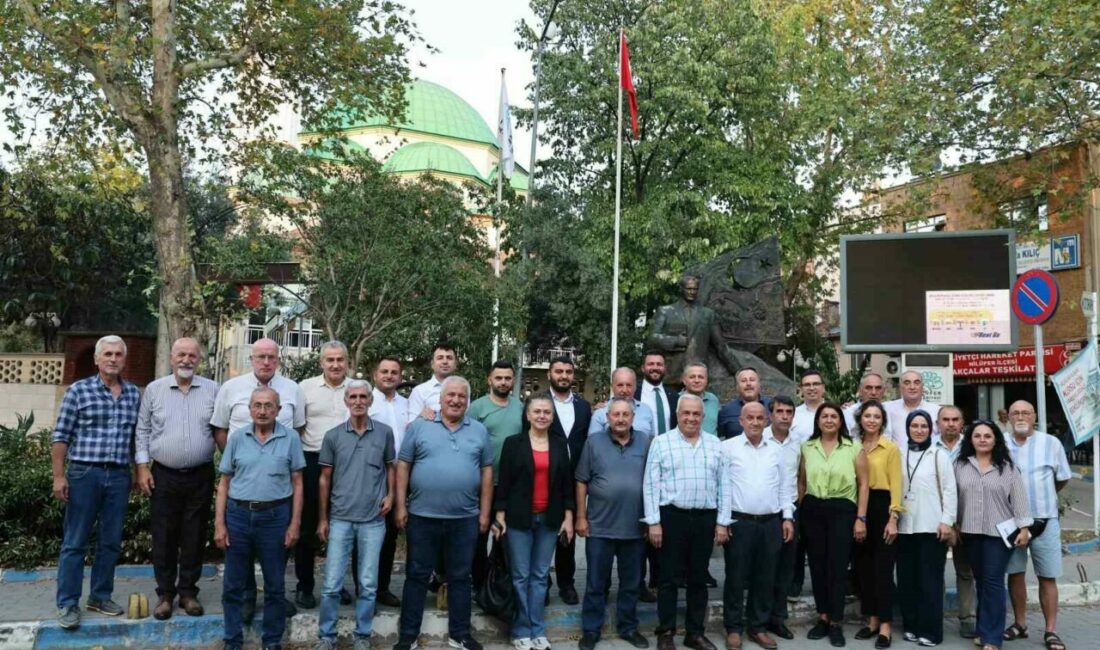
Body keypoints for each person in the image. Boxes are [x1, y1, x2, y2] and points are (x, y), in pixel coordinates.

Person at [211, 337, 307, 621]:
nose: (266, 362)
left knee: (277, 550)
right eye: (260, 357)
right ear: (251, 359)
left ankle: (275, 597)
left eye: (271, 357)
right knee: (240, 551)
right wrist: (242, 460)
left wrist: (274, 459)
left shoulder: (293, 389)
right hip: (242, 479)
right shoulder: (231, 388)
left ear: (278, 359)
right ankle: (247, 598)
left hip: (278, 484)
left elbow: (298, 429)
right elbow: (220, 428)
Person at [394, 376, 492, 650]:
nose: (455, 400)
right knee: (416, 575)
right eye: (451, 395)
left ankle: (460, 634)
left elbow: (486, 472)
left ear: (468, 401)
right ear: (440, 398)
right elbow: (403, 466)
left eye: (461, 396)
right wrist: (401, 505)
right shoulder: (420, 427)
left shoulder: (479, 430)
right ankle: (408, 635)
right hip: (422, 516)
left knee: (460, 577)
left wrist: (484, 512)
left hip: (465, 518)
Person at [51, 335, 141, 629]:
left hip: (118, 476)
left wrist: (138, 471)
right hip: (84, 474)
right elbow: (61, 436)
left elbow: (136, 439)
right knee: (75, 542)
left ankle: (100, 597)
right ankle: (67, 603)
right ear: (97, 359)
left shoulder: (133, 394)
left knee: (111, 541)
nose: (113, 359)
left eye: (118, 354)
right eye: (108, 354)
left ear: (124, 359)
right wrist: (58, 476)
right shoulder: (78, 391)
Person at [135, 337, 220, 620]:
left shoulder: (213, 390)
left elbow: (221, 429)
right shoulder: (155, 390)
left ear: (199, 359)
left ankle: (188, 593)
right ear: (172, 358)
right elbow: (142, 430)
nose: (186, 360)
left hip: (200, 475)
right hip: (163, 475)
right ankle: (165, 594)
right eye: (181, 354)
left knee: (195, 535)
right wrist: (142, 467)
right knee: (164, 536)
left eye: (192, 355)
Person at [643, 394, 731, 650]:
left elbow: (724, 486)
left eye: (696, 414)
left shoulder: (715, 445)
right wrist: (653, 522)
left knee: (698, 579)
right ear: (677, 415)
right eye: (686, 413)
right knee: (668, 579)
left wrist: (722, 523)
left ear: (703, 417)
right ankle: (666, 632)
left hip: (704, 519)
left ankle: (695, 633)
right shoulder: (661, 443)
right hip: (672, 518)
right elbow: (651, 485)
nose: (691, 418)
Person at [314, 380, 395, 650]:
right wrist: (323, 518)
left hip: (373, 519)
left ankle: (362, 635)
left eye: (363, 397)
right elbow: (324, 479)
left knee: (368, 584)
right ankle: (327, 636)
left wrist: (391, 496)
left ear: (370, 401)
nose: (358, 401)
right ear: (346, 401)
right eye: (353, 397)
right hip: (340, 518)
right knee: (331, 584)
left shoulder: (384, 433)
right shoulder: (333, 436)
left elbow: (391, 467)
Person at [494, 396, 576, 650]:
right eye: (537, 411)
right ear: (528, 415)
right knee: (520, 576)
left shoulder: (560, 444)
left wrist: (569, 517)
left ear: (552, 417)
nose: (542, 416)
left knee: (540, 576)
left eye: (547, 412)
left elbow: (567, 484)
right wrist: (499, 515)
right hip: (519, 519)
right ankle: (521, 630)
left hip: (549, 519)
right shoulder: (513, 443)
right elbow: (504, 481)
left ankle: (538, 630)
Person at [576, 398, 652, 650]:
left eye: (625, 414)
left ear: (632, 418)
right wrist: (581, 516)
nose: (620, 419)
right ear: (607, 417)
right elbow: (582, 481)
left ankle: (628, 627)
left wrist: (651, 520)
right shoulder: (593, 442)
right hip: (599, 526)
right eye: (615, 414)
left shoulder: (645, 442)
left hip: (635, 527)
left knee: (631, 583)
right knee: (595, 583)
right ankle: (591, 630)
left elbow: (654, 481)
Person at [720, 401, 795, 650]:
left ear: (766, 421)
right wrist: (722, 522)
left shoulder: (777, 451)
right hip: (739, 522)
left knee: (765, 577)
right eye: (749, 418)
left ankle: (758, 627)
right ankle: (733, 628)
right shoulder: (728, 448)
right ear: (741, 421)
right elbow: (723, 488)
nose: (754, 422)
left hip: (770, 523)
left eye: (759, 418)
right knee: (736, 576)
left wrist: (787, 517)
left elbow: (784, 486)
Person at [954, 420, 1032, 650]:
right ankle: (983, 629)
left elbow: (1019, 499)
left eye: (987, 436)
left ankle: (992, 638)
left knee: (993, 582)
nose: (982, 440)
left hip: (999, 534)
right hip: (969, 531)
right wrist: (953, 523)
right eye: (977, 436)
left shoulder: (1008, 468)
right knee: (981, 581)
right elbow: (953, 496)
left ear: (996, 439)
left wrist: (1024, 528)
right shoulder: (960, 465)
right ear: (970, 440)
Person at [799, 402, 869, 648]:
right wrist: (801, 511)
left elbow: (863, 484)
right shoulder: (808, 447)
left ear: (841, 422)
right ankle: (823, 617)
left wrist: (861, 518)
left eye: (833, 416)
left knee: (837, 567)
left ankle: (836, 621)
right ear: (818, 421)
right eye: (824, 416)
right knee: (817, 565)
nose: (829, 420)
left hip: (842, 510)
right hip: (813, 509)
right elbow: (802, 481)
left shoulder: (853, 447)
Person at [1003, 401, 1071, 650]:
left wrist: (1043, 497)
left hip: (1045, 520)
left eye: (1026, 413)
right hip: (1011, 521)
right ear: (1008, 417)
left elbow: (1062, 479)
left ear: (1034, 417)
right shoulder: (1001, 444)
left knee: (1047, 576)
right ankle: (1020, 624)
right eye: (1016, 413)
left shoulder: (1051, 443)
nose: (1021, 417)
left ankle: (1051, 630)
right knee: (1015, 574)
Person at [896, 409, 957, 648]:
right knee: (907, 580)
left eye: (924, 426)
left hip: (932, 526)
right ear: (908, 429)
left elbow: (950, 490)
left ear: (931, 429)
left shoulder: (938, 455)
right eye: (914, 426)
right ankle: (911, 626)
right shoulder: (899, 453)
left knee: (929, 581)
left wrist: (947, 521)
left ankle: (931, 631)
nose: (919, 430)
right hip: (904, 527)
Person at [298, 341, 351, 609]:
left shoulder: (356, 389)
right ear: (321, 362)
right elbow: (297, 426)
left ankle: (336, 585)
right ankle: (304, 586)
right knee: (307, 527)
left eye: (340, 359)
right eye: (330, 360)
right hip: (312, 460)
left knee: (341, 527)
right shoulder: (305, 388)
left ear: (347, 362)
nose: (335, 364)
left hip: (347, 464)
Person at [542, 355, 592, 606]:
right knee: (543, 531)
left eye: (568, 372)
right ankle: (542, 582)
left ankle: (566, 583)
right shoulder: (538, 402)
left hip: (574, 480)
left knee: (567, 533)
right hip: (544, 477)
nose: (563, 376)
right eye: (559, 371)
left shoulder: (583, 406)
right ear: (549, 374)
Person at [470, 360, 525, 589]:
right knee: (479, 535)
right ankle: (479, 584)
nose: (503, 382)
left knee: (506, 537)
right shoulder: (476, 408)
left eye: (507, 378)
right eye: (498, 378)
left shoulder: (520, 407)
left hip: (511, 485)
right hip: (483, 484)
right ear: (489, 380)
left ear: (513, 381)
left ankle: (501, 585)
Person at [851, 400, 902, 648]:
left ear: (882, 421)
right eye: (867, 416)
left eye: (876, 416)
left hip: (882, 507)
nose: (871, 420)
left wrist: (893, 518)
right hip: (859, 507)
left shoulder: (890, 448)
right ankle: (871, 620)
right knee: (864, 567)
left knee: (883, 569)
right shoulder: (853, 446)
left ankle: (885, 626)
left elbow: (896, 485)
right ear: (860, 419)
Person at [368, 355, 409, 607]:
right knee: (367, 535)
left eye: (394, 372)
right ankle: (365, 589)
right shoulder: (365, 401)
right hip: (373, 475)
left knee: (391, 535)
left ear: (400, 377)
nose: (389, 376)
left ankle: (382, 588)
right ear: (375, 375)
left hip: (402, 475)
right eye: (384, 371)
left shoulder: (407, 404)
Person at [647, 274, 740, 380]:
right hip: (672, 373)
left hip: (697, 374)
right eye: (689, 289)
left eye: (695, 289)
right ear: (681, 289)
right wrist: (676, 341)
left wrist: (739, 371)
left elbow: (721, 346)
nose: (692, 292)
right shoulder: (665, 311)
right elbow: (652, 338)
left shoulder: (708, 314)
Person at [934, 405, 976, 638]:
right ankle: (934, 616)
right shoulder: (929, 446)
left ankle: (967, 617)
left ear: (962, 423)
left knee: (965, 571)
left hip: (966, 519)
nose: (950, 424)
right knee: (934, 571)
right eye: (945, 419)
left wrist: (958, 520)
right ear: (938, 423)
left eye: (955, 419)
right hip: (935, 519)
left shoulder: (972, 447)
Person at [764, 396, 801, 641]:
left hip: (791, 510)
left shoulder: (798, 442)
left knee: (785, 569)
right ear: (771, 414)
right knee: (764, 568)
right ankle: (758, 619)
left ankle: (778, 619)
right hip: (765, 511)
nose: (784, 416)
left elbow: (801, 476)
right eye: (780, 411)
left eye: (789, 412)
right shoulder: (760, 438)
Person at [590, 367, 657, 436]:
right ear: (612, 387)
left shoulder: (646, 410)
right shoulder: (600, 413)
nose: (624, 390)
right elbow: (594, 441)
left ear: (635, 387)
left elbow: (652, 440)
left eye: (629, 385)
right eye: (620, 385)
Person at [884, 371, 940, 449]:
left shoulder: (936, 411)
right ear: (900, 388)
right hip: (897, 456)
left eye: (916, 383)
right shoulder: (887, 408)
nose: (912, 387)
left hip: (928, 455)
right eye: (907, 383)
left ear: (922, 387)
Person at [407, 342, 458, 422]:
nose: (445, 361)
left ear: (455, 364)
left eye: (449, 358)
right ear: (432, 364)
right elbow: (411, 426)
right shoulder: (419, 391)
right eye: (440, 358)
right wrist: (420, 416)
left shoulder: (463, 391)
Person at [717, 367, 771, 439]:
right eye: (743, 381)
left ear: (759, 384)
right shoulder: (726, 411)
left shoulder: (772, 407)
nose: (748, 384)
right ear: (737, 387)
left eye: (752, 380)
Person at [637, 350, 677, 434]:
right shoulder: (634, 394)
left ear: (664, 368)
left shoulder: (674, 396)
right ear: (643, 368)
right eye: (651, 364)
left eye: (659, 364)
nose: (655, 368)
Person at [678, 362, 720, 436]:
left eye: (701, 377)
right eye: (692, 377)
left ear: (706, 380)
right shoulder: (675, 400)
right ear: (684, 380)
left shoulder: (713, 400)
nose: (697, 381)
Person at [790, 370, 826, 442]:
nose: (811, 388)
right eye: (807, 385)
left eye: (816, 384)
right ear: (801, 389)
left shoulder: (836, 413)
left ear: (823, 387)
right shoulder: (792, 414)